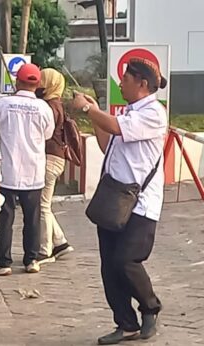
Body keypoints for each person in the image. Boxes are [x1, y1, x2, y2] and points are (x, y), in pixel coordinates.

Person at [72, 58, 167, 345]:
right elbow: (107, 142)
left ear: (142, 84)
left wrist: (90, 108)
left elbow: (114, 127)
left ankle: (150, 306)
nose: (120, 83)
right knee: (109, 266)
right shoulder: (128, 113)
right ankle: (125, 323)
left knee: (126, 261)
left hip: (140, 202)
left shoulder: (153, 113)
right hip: (115, 199)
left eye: (125, 78)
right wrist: (93, 115)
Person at [0, 63, 54, 276]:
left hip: (8, 171)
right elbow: (48, 135)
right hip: (33, 171)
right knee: (32, 218)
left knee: (5, 219)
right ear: (38, 85)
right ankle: (31, 259)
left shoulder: (3, 104)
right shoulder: (44, 108)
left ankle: (3, 262)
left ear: (17, 81)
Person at [36, 69, 75, 264]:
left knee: (42, 205)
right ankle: (60, 242)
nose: (39, 84)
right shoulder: (56, 104)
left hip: (49, 158)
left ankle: (45, 250)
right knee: (44, 204)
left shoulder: (50, 107)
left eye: (43, 80)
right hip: (56, 157)